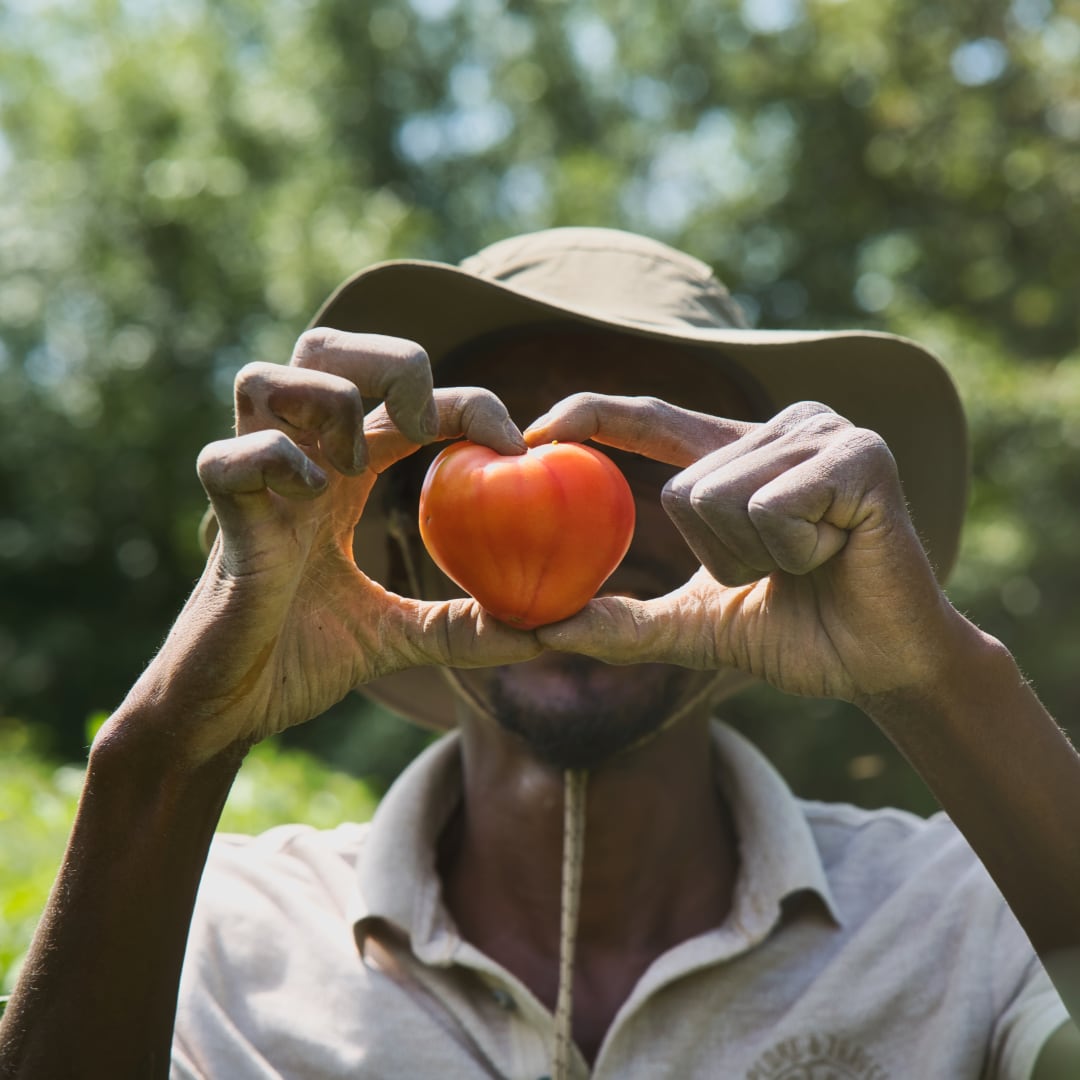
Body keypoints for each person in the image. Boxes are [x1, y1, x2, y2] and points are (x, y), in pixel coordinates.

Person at [1, 227, 1078, 1079]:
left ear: (781, 533)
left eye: (654, 459)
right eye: (495, 445)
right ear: (390, 546)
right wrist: (170, 746)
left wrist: (934, 676)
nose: (583, 530)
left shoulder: (961, 913)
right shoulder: (221, 940)